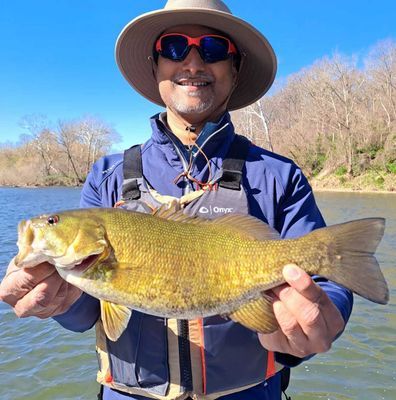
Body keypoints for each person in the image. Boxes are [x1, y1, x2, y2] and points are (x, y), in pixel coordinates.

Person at [0, 1, 353, 399]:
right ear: (155, 67)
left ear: (234, 70)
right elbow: (87, 314)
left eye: (214, 49)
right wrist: (58, 303)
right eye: (173, 47)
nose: (192, 62)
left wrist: (325, 320)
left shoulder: (279, 175)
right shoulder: (106, 176)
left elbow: (331, 285)